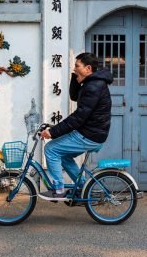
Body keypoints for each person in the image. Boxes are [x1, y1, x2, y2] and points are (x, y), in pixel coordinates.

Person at [39, 52, 113, 200]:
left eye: (77, 66)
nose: (74, 68)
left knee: (51, 149)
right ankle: (84, 187)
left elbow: (78, 118)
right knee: (64, 156)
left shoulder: (93, 86)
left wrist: (52, 132)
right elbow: (74, 96)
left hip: (90, 134)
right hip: (91, 132)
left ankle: (59, 190)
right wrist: (76, 76)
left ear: (88, 68)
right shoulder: (91, 82)